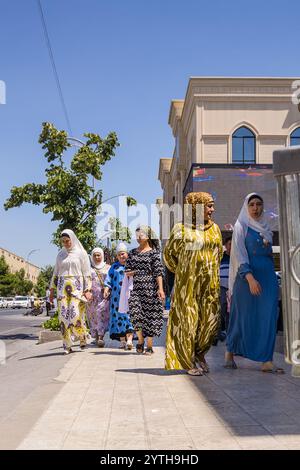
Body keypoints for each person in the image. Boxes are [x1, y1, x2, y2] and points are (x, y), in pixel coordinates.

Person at [164, 192, 223, 376]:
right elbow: (169, 256)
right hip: (187, 285)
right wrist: (185, 271)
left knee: (210, 322)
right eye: (209, 206)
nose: (212, 210)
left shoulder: (215, 229)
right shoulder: (181, 229)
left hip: (210, 284)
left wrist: (207, 268)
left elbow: (219, 253)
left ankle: (199, 353)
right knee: (188, 322)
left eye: (212, 205)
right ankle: (188, 361)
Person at [225, 193, 284, 373]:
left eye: (259, 204)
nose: (256, 208)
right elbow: (239, 254)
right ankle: (230, 352)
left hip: (267, 277)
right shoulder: (241, 226)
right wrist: (250, 278)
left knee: (269, 316)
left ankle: (266, 360)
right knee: (242, 316)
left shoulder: (266, 227)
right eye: (252, 204)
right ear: (246, 207)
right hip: (247, 279)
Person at [50, 229, 92, 354]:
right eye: (63, 241)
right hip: (62, 288)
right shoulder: (60, 254)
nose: (66, 243)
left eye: (67, 241)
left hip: (77, 288)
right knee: (63, 316)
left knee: (75, 315)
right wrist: (52, 290)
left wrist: (88, 289)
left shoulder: (81, 253)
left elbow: (87, 273)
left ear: (72, 239)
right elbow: (56, 272)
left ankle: (82, 336)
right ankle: (67, 345)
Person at [124, 226, 165, 355]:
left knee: (151, 316)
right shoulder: (132, 253)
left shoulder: (153, 253)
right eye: (136, 235)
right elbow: (127, 271)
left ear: (147, 236)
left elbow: (158, 272)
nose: (138, 238)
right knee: (135, 314)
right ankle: (140, 340)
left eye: (140, 235)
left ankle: (149, 345)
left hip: (151, 289)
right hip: (136, 289)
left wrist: (161, 289)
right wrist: (137, 271)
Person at [104, 242, 134, 349]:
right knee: (118, 319)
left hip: (128, 297)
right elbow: (108, 279)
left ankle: (129, 340)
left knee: (128, 317)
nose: (122, 256)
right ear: (117, 256)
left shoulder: (131, 266)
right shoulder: (114, 267)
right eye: (120, 254)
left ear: (127, 254)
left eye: (123, 254)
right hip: (116, 299)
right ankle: (122, 342)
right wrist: (106, 289)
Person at [86, 247, 110, 347]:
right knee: (93, 317)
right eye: (95, 255)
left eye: (98, 255)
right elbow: (86, 280)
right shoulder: (89, 269)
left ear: (102, 255)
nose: (97, 257)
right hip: (92, 298)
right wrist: (87, 292)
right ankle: (96, 336)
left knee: (101, 314)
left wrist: (108, 290)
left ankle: (101, 336)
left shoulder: (108, 267)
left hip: (103, 296)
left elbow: (110, 280)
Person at [213, 235, 232, 345]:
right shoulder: (220, 257)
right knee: (220, 312)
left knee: (230, 314)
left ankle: (230, 338)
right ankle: (216, 335)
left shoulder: (236, 257)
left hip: (233, 289)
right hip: (222, 288)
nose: (231, 246)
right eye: (229, 244)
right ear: (225, 245)